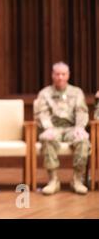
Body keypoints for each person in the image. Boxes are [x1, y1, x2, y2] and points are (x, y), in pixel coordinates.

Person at [34, 62, 90, 195]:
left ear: (68, 75)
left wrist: (80, 127)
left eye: (63, 74)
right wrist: (48, 128)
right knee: (47, 139)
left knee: (83, 140)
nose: (60, 77)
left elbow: (82, 111)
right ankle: (53, 180)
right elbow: (41, 113)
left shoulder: (76, 92)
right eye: (57, 74)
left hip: (72, 128)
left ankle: (77, 180)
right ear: (52, 75)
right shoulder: (45, 93)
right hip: (53, 129)